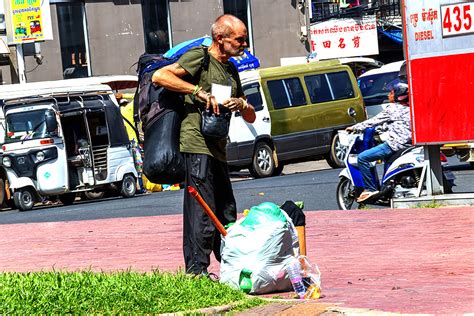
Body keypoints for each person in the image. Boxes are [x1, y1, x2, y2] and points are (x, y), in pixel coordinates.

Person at [152, 14, 256, 276]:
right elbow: (160, 76)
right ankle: (196, 272)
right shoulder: (200, 58)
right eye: (240, 40)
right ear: (220, 39)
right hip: (196, 145)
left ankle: (231, 266)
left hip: (219, 148)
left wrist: (241, 104)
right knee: (202, 211)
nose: (244, 45)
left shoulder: (231, 69)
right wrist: (196, 91)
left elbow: (251, 115)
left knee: (226, 210)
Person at [346, 83, 412, 202]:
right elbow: (396, 124)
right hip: (410, 145)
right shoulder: (411, 108)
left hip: (395, 145)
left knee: (362, 158)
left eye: (391, 92)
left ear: (398, 95)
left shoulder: (393, 109)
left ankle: (370, 189)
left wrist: (355, 127)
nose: (388, 95)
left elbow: (373, 121)